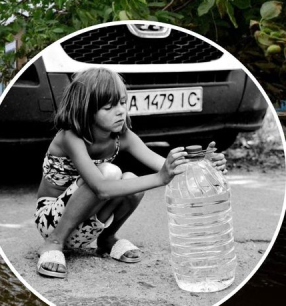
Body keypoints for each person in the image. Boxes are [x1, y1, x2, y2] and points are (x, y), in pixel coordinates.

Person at [35, 67, 227, 278]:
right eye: (109, 106)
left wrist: (203, 166)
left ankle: (107, 239)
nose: (120, 111)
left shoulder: (122, 137)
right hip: (52, 221)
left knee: (131, 182)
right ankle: (53, 243)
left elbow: (165, 165)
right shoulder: (70, 137)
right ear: (86, 109)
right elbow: (101, 188)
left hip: (88, 225)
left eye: (123, 103)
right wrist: (159, 178)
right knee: (110, 173)